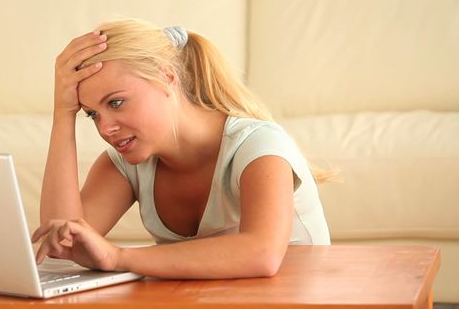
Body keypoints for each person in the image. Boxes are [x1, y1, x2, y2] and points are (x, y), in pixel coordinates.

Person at [31, 18, 332, 279]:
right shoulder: (125, 165)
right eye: (92, 114)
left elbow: (261, 254)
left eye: (116, 103)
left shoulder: (258, 146)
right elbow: (61, 245)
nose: (105, 128)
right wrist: (63, 113)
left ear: (167, 76)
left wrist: (118, 257)